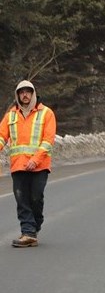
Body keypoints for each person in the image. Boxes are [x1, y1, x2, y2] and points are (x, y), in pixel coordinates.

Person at [1, 80, 56, 248]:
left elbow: (48, 140)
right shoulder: (11, 115)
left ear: (33, 93)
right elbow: (2, 136)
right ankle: (28, 232)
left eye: (28, 91)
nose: (24, 94)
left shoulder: (46, 113)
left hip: (39, 165)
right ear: (18, 95)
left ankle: (34, 224)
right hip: (18, 165)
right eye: (21, 92)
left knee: (36, 197)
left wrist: (35, 159)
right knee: (21, 199)